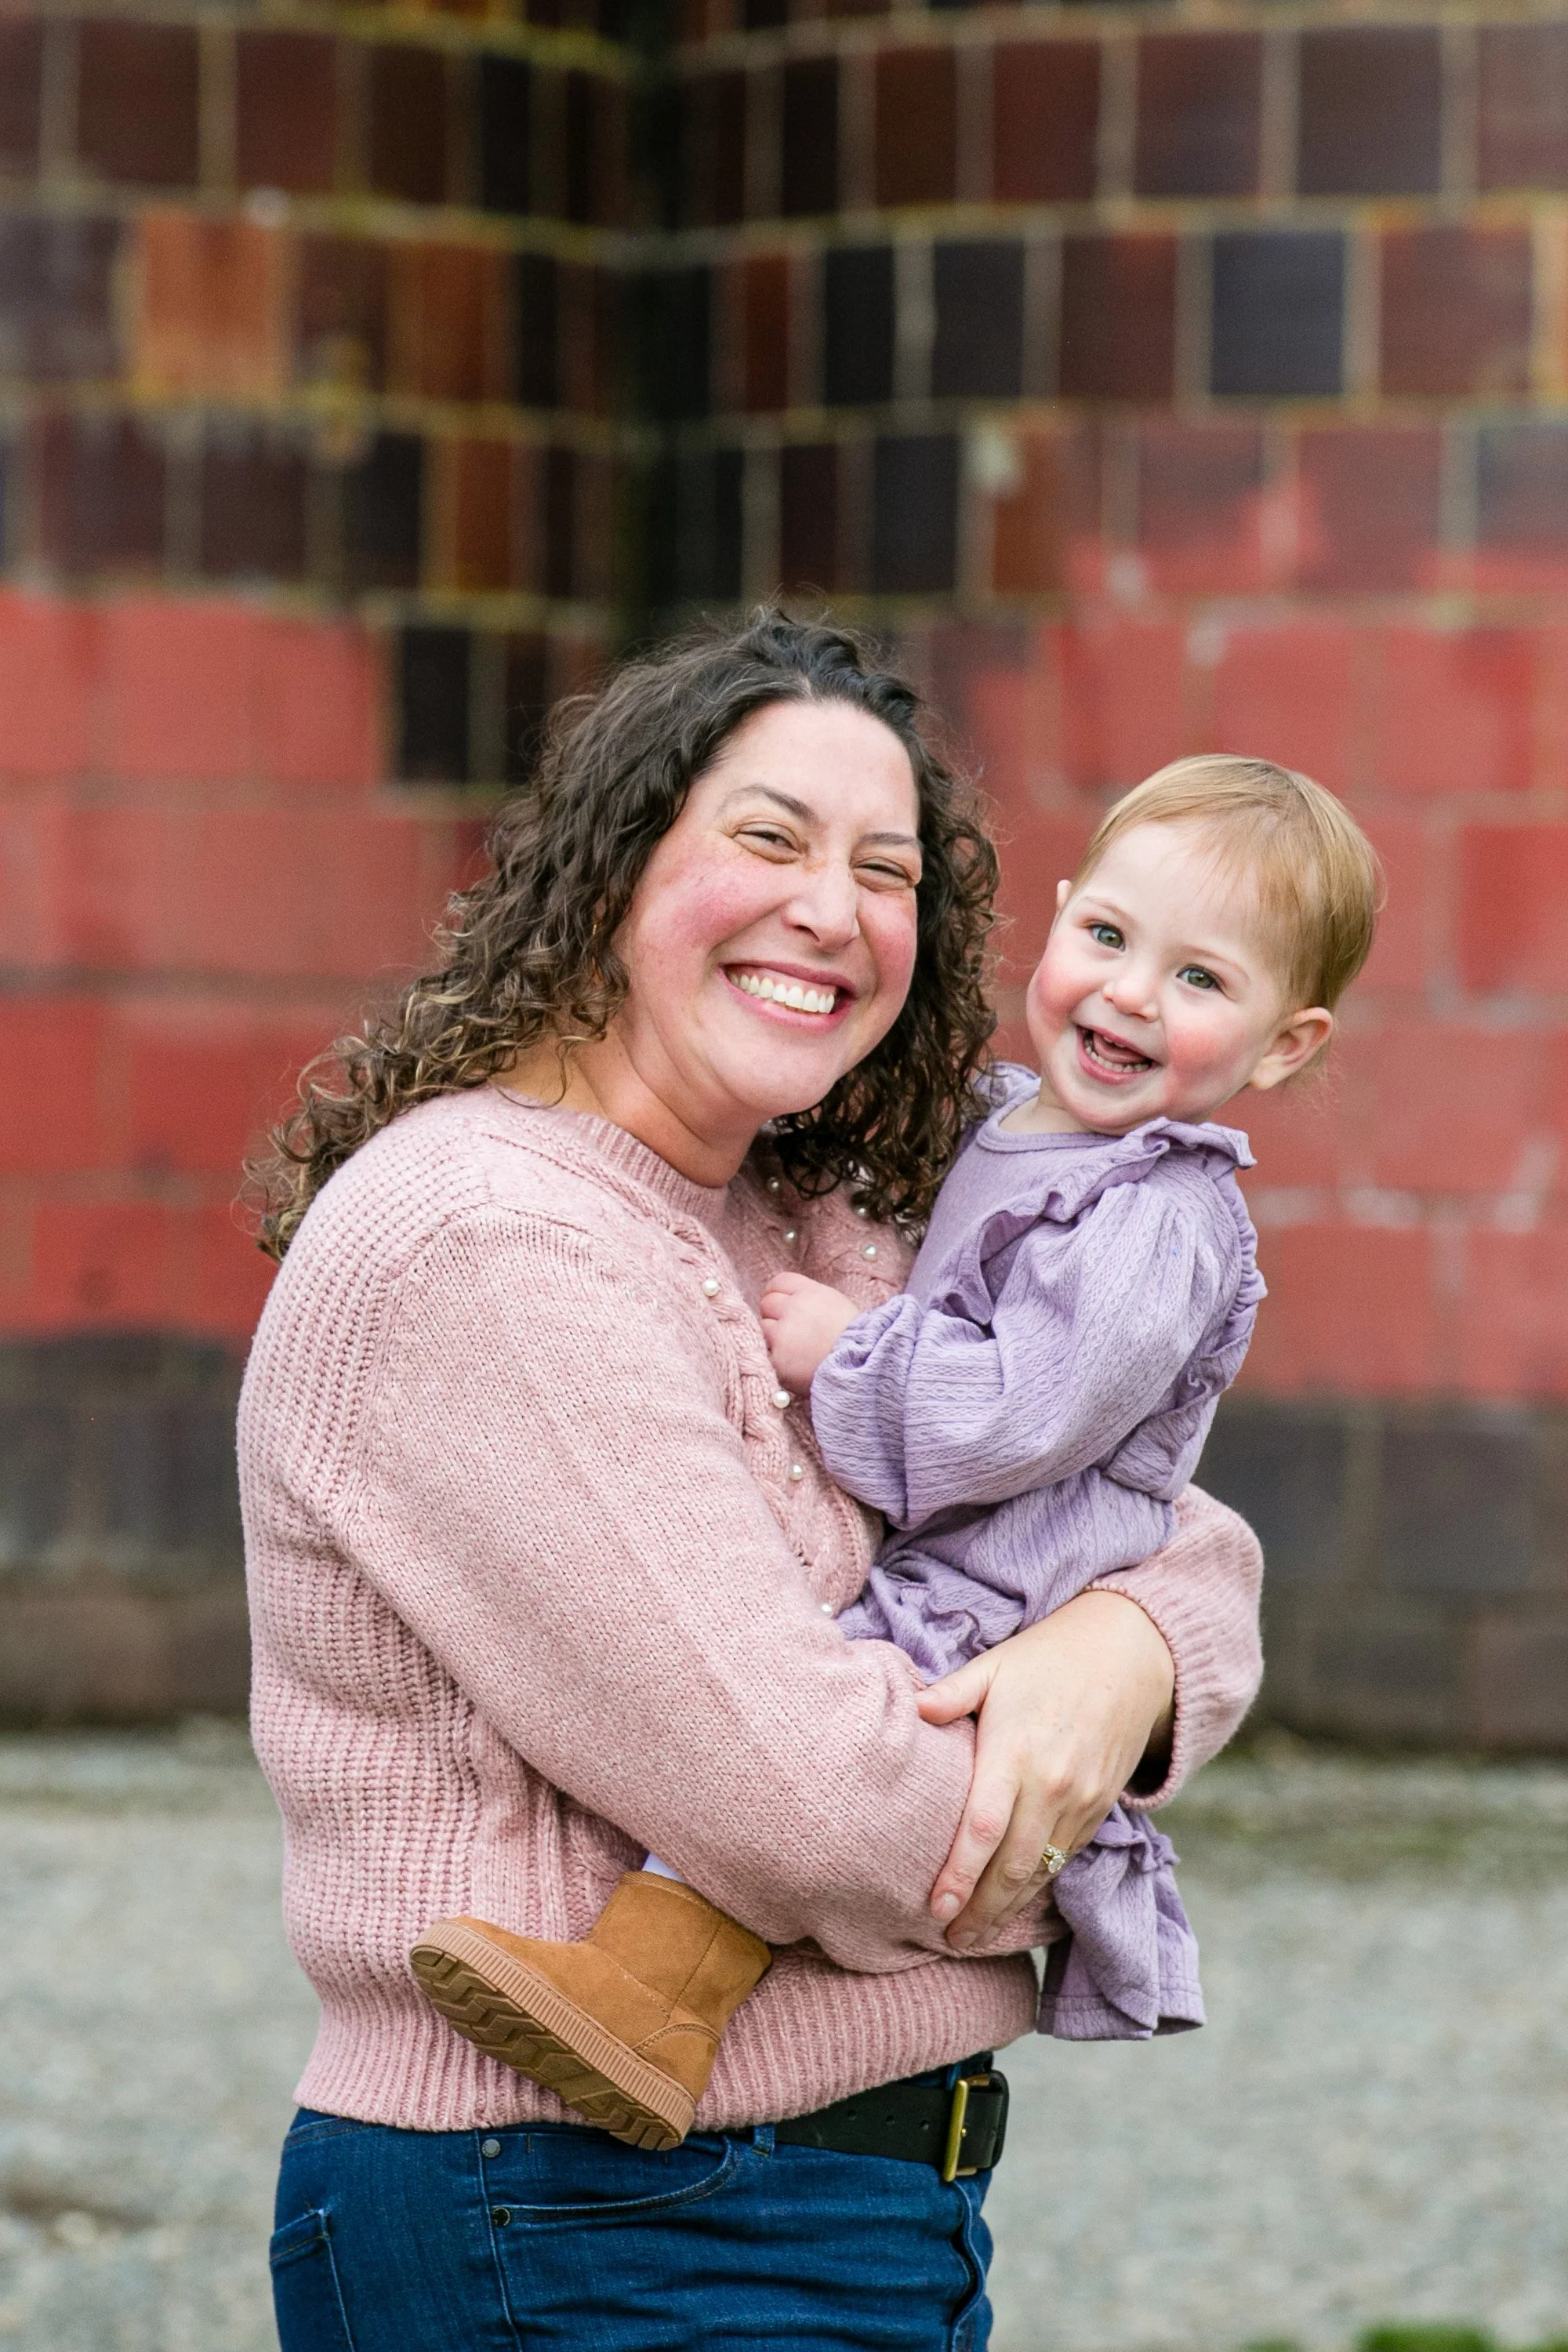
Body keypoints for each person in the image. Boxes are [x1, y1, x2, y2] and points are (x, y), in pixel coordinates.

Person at [245, 612, 1264, 2352]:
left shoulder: (810, 1219)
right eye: (770, 838)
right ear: (616, 863)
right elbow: (812, 1809)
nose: (834, 910)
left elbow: (1168, 1524)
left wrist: (1127, 1660)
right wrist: (1086, 1797)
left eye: (888, 872)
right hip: (578, 2226)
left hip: (836, 2213)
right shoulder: (490, 1244)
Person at [411, 757, 1378, 2151]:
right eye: (1106, 939)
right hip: (965, 1543)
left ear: (1285, 1045)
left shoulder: (1156, 1214)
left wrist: (846, 1353)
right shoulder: (1003, 1119)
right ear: (1058, 918)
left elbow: (1023, 1416)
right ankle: (644, 2005)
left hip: (1005, 1573)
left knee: (877, 1699)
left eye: (1199, 981)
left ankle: (641, 2003)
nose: (1125, 997)